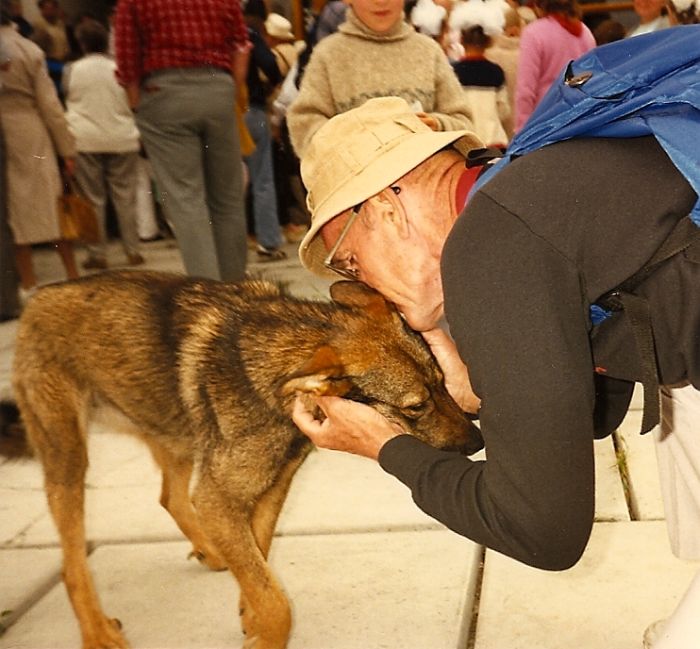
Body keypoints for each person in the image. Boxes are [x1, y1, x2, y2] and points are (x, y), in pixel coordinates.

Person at [291, 27, 700, 647]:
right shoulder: (528, 185)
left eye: (349, 262)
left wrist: (386, 446)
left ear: (384, 209)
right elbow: (588, 409)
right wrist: (475, 371)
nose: (361, 283)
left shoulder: (491, 244)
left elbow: (544, 530)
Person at [113, 0, 251, 282]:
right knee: (227, 197)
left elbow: (126, 57)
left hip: (164, 90)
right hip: (218, 87)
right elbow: (241, 45)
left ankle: (208, 295)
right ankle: (237, 292)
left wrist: (137, 103)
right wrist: (228, 90)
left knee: (186, 200)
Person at [286, 0, 475, 157]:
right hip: (355, 193)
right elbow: (304, 125)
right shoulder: (329, 55)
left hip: (427, 192)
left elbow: (464, 123)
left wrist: (436, 124)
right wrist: (353, 136)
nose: (381, 2)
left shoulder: (428, 51)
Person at [0, 3, 79, 300]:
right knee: (52, 204)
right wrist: (66, 149)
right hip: (31, 127)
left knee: (13, 211)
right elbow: (50, 105)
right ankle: (71, 274)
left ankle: (29, 282)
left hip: (4, 130)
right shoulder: (27, 49)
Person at [63, 20, 143, 271]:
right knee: (125, 196)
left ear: (82, 43)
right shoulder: (119, 67)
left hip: (86, 138)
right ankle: (133, 250)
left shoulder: (72, 69)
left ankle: (97, 253)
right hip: (122, 136)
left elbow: (67, 95)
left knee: (93, 198)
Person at [242, 0, 287, 261]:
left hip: (225, 111)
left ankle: (232, 245)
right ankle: (267, 243)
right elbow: (270, 65)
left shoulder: (220, 33)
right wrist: (269, 87)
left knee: (227, 185)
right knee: (263, 179)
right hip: (253, 110)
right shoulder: (250, 34)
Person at [514, 0, 595, 132]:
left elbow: (526, 89)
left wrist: (521, 130)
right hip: (579, 120)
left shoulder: (534, 33)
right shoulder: (586, 33)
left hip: (544, 122)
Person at [450, 0, 510, 147]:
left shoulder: (453, 72)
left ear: (462, 40)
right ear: (488, 41)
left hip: (464, 141)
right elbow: (504, 110)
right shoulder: (495, 72)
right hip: (493, 140)